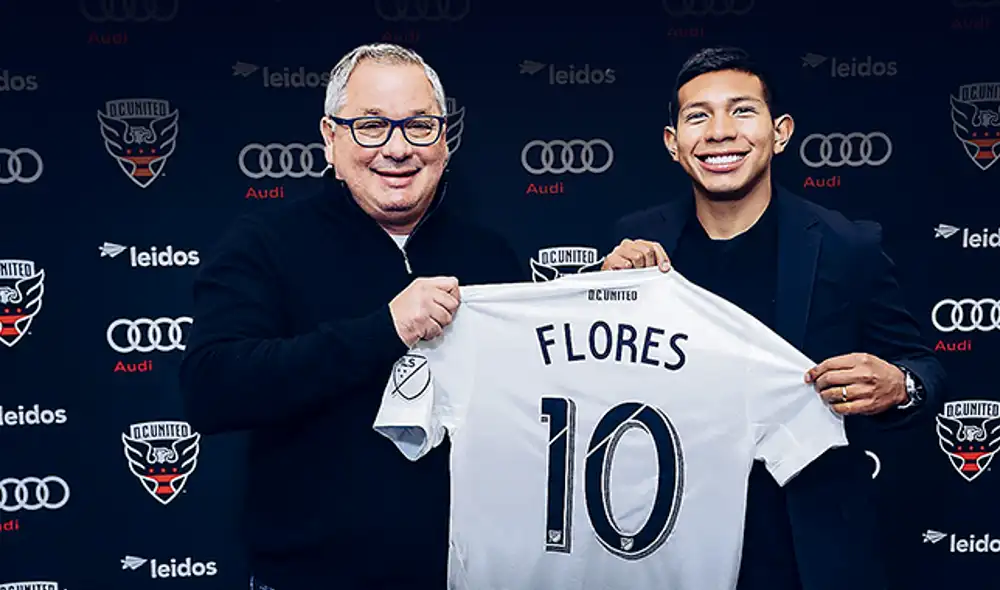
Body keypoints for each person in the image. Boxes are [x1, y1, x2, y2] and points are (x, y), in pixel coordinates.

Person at [178, 43, 522, 590]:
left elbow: (536, 397)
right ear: (330, 139)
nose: (397, 148)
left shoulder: (491, 255)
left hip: (462, 576)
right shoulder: (264, 244)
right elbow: (213, 388)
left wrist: (617, 290)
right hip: (308, 578)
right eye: (370, 126)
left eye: (419, 126)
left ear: (446, 140)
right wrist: (385, 330)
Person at [601, 47, 945, 590]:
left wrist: (901, 385)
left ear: (780, 132)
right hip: (667, 544)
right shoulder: (636, 246)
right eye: (697, 116)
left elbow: (923, 366)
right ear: (673, 144)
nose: (719, 132)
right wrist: (604, 294)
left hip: (804, 551)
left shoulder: (845, 245)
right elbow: (598, 390)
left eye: (741, 111)